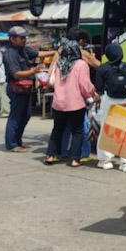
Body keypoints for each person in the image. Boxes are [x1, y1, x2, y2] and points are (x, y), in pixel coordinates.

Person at [43, 37, 98, 167]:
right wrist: (92, 93)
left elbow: (49, 78)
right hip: (75, 103)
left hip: (58, 103)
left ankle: (51, 155)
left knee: (57, 129)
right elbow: (84, 85)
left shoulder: (58, 63)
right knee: (77, 131)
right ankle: (74, 159)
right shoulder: (81, 64)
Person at [94, 43, 126, 172]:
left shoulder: (103, 68)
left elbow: (99, 87)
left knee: (106, 129)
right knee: (125, 130)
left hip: (109, 100)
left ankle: (106, 160)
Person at [2, 26, 43, 153]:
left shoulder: (23, 50)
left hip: (25, 88)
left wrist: (57, 51)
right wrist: (32, 70)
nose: (24, 40)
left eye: (25, 37)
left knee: (25, 115)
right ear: (12, 39)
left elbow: (38, 53)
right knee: (15, 117)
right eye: (21, 38)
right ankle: (12, 144)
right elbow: (16, 74)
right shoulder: (10, 53)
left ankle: (18, 141)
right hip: (16, 88)